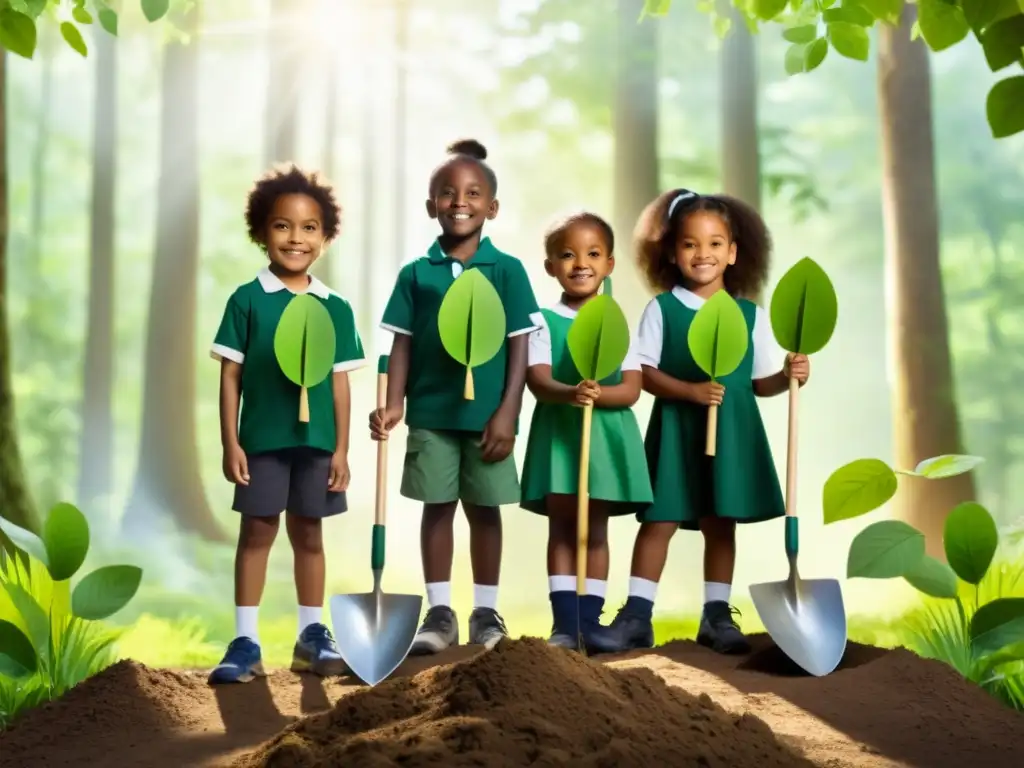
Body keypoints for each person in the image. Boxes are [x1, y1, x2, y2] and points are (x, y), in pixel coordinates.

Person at [588, 188, 810, 656]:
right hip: (676, 432)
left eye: (714, 244)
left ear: (732, 252)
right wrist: (688, 391)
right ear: (673, 251)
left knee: (719, 521)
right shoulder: (662, 310)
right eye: (690, 244)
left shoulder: (750, 316)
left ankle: (715, 615)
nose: (702, 254)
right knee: (660, 520)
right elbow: (644, 373)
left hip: (730, 433)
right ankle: (636, 616)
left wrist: (790, 376)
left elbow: (759, 383)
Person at [369, 139, 540, 654]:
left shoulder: (507, 271)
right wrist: (395, 403)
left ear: (492, 207)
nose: (458, 201)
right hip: (432, 415)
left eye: (472, 193)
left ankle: (486, 612)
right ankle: (439, 611)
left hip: (489, 419)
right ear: (431, 206)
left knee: (486, 509)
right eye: (447, 193)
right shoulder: (415, 275)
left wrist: (508, 411)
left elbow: (520, 346)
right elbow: (402, 342)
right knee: (437, 507)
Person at [208, 165, 366, 684]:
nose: (295, 238)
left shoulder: (334, 307)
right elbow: (231, 375)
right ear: (261, 232)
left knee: (309, 534)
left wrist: (341, 449)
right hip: (262, 441)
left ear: (324, 237)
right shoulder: (247, 300)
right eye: (282, 226)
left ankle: (311, 635)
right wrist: (231, 441)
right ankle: (245, 641)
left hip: (316, 442)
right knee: (256, 532)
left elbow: (340, 384)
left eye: (308, 228)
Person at [519, 212, 652, 651]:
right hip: (561, 436)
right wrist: (570, 393)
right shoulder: (541, 321)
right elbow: (537, 379)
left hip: (606, 441)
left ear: (609, 264)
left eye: (593, 254)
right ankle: (565, 623)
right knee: (562, 527)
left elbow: (631, 389)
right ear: (550, 266)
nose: (581, 263)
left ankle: (591, 624)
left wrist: (600, 395)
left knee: (595, 530)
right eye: (568, 255)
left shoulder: (617, 322)